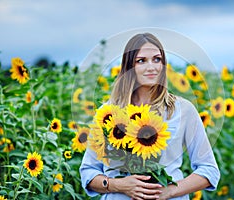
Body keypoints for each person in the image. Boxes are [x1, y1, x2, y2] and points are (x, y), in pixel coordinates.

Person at [79, 33, 220, 200]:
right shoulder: (108, 113)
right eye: (141, 61)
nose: (151, 67)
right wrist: (119, 185)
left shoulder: (183, 110)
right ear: (129, 67)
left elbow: (209, 169)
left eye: (157, 59)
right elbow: (88, 172)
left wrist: (170, 191)